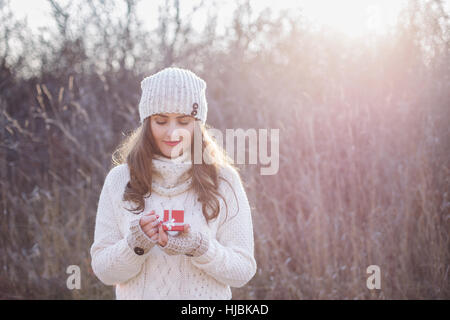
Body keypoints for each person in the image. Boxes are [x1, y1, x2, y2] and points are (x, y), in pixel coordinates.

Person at [90, 67, 257, 299]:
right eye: (161, 121)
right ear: (147, 123)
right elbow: (104, 271)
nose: (172, 133)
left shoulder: (224, 180)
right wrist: (135, 245)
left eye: (183, 121)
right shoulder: (120, 180)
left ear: (197, 124)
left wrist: (200, 248)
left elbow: (242, 270)